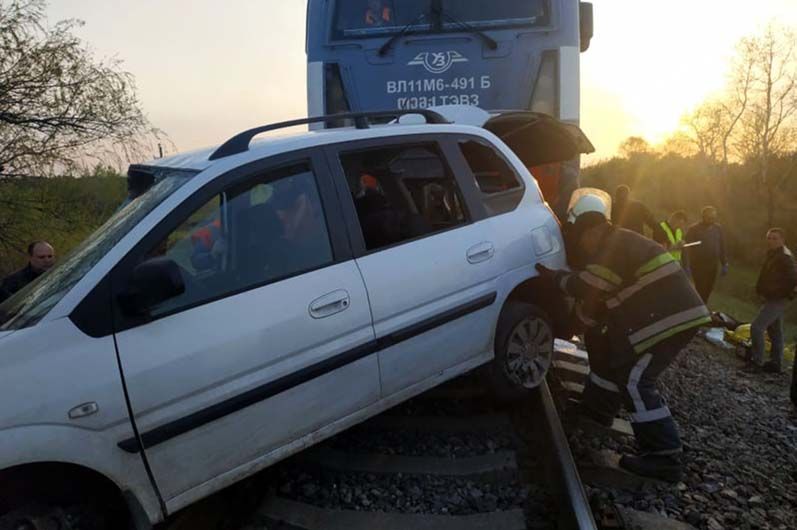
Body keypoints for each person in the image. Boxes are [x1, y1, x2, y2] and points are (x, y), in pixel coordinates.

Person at [536, 212, 710, 482]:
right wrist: (578, 325)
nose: (582, 248)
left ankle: (665, 456)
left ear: (593, 231)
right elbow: (600, 303)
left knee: (635, 380)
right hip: (662, 315)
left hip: (671, 318)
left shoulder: (613, 245)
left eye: (581, 240)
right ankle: (598, 410)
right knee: (603, 348)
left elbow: (590, 286)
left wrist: (555, 279)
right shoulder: (621, 243)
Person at [748, 228, 797, 373]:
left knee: (756, 327)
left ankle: (756, 362)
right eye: (769, 238)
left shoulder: (785, 257)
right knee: (775, 331)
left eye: (775, 238)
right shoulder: (772, 254)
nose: (771, 241)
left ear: (782, 240)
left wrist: (784, 294)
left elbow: (793, 278)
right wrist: (760, 290)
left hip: (779, 299)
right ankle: (776, 364)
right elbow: (765, 275)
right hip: (771, 296)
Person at [684, 206, 728, 304]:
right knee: (700, 289)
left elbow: (722, 246)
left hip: (713, 265)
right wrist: (687, 264)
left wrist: (724, 263)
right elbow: (686, 246)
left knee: (708, 289)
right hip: (698, 265)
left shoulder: (718, 229)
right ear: (703, 217)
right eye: (709, 217)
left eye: (713, 217)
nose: (712, 220)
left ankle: (703, 307)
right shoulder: (694, 229)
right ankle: (697, 309)